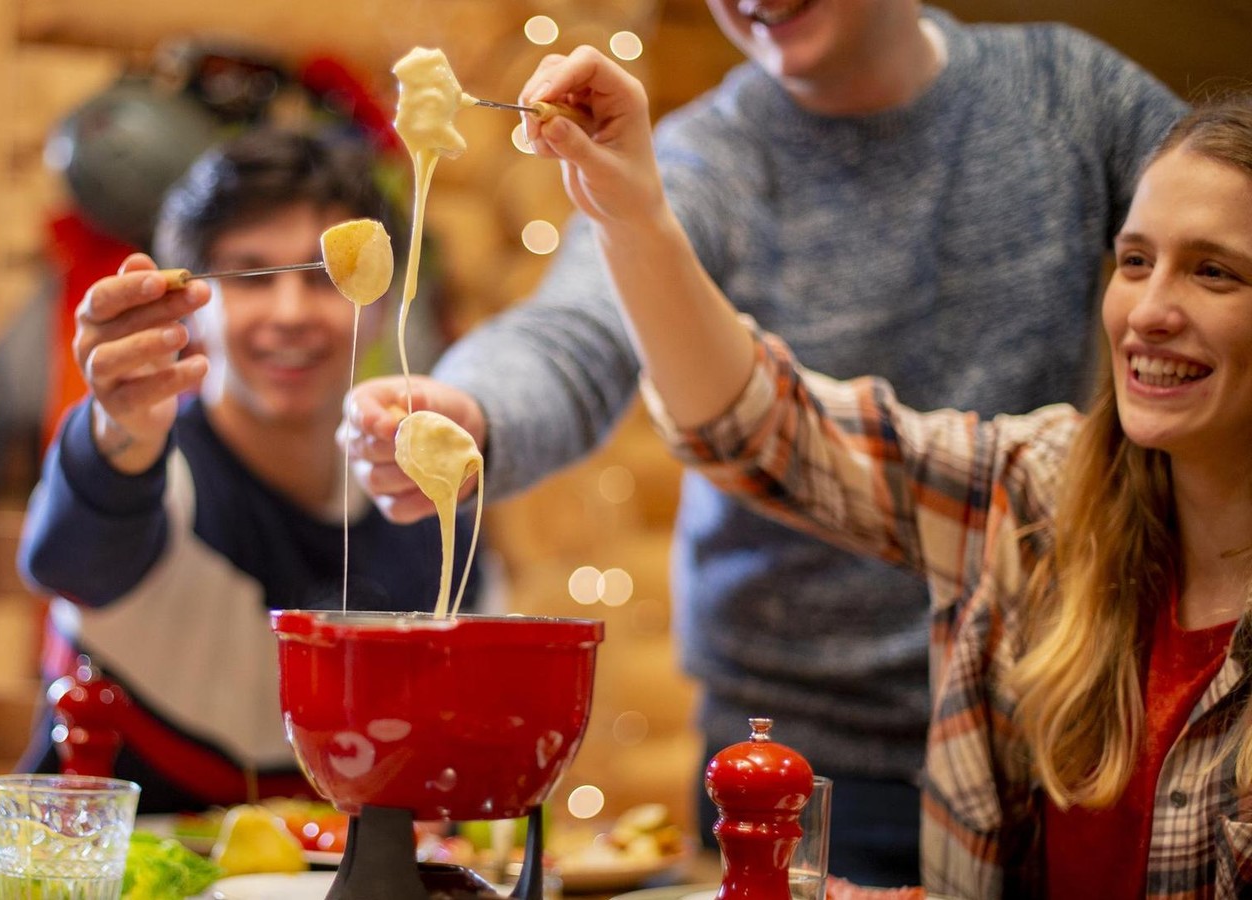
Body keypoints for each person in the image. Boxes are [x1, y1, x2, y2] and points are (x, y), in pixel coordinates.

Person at [343, 2, 1182, 883]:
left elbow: (1219, 224)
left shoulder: (1067, 93)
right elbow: (576, 331)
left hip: (1054, 732)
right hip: (781, 757)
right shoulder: (703, 156)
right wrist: (468, 409)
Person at [521, 48, 1252, 895]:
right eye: (1134, 261)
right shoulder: (1042, 492)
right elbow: (766, 428)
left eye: (1213, 272)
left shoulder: (1060, 84)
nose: (1150, 311)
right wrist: (631, 212)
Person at [17, 127, 481, 812]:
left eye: (327, 278)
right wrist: (117, 429)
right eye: (252, 276)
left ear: (383, 306)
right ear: (194, 306)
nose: (290, 314)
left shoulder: (422, 505)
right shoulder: (153, 467)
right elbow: (68, 563)